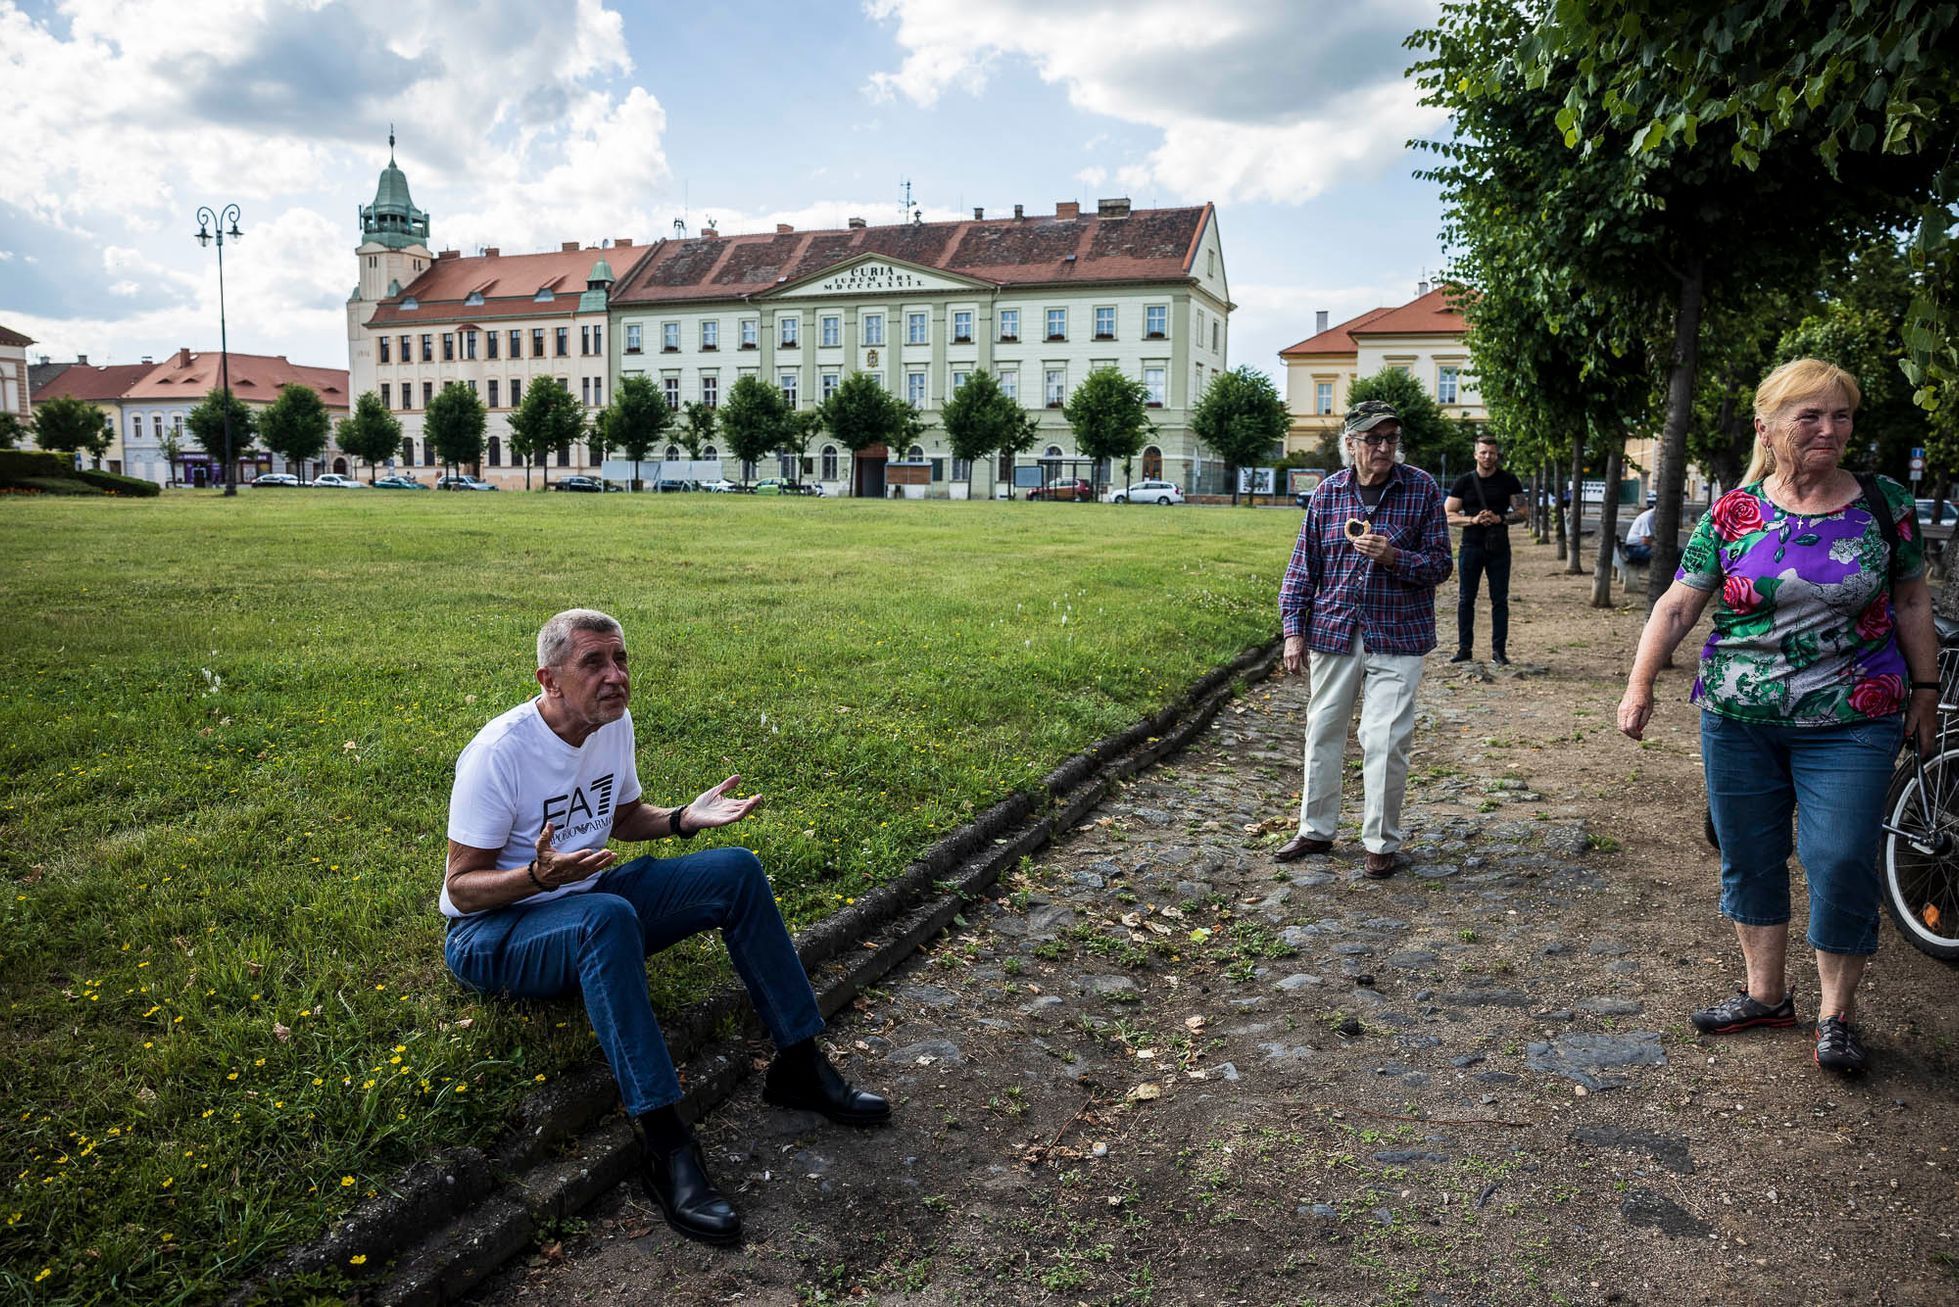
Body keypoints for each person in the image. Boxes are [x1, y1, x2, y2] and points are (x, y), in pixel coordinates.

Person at [442, 609, 889, 1247]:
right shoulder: (498, 753)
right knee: (607, 916)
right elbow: (462, 888)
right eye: (593, 663)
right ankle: (666, 1145)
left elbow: (619, 815)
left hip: (587, 898)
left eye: (620, 659)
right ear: (549, 679)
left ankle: (800, 1065)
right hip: (496, 932)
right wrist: (537, 879)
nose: (615, 676)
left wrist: (681, 818)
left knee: (734, 870)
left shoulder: (612, 723)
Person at [1617, 359, 1937, 1075]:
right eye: (1811, 415)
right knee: (1750, 854)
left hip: (1853, 716)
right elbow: (1676, 603)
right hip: (1738, 717)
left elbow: (1912, 601)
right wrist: (1640, 684)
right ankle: (1764, 994)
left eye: (1841, 415)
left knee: (1841, 855)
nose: (1829, 429)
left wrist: (1925, 689)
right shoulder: (1733, 511)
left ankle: (1836, 1015)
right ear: (1768, 426)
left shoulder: (1883, 503)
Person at [1275, 400, 1454, 876]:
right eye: (1373, 439)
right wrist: (1294, 632)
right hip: (1334, 631)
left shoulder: (1420, 489)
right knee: (1323, 731)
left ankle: (1379, 841)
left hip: (1398, 633)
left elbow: (1440, 565)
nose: (1383, 448)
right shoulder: (1328, 494)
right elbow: (1301, 570)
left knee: (1385, 738)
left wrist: (1394, 556)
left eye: (1390, 439)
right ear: (1350, 443)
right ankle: (1315, 831)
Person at [1444, 433, 1528, 663]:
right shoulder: (1464, 482)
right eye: (1483, 452)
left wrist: (1499, 518)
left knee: (1499, 599)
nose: (1487, 456)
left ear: (1497, 454)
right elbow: (1448, 514)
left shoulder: (1509, 480)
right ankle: (1464, 650)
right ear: (1475, 454)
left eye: (1491, 452)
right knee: (1465, 599)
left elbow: (1522, 512)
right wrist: (1472, 520)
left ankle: (1498, 652)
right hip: (1471, 545)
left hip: (1499, 546)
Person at [1622, 492, 1658, 565]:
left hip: (1640, 547)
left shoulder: (1654, 517)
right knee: (1665, 554)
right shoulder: (1648, 518)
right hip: (1634, 549)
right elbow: (1646, 540)